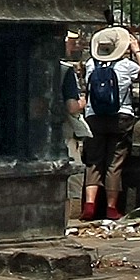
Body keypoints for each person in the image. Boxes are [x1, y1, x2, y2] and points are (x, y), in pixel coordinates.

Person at [82, 27, 140, 223]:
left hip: (93, 117)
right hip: (121, 117)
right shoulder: (126, 65)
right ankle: (111, 208)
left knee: (93, 161)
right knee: (114, 163)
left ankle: (90, 205)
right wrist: (136, 50)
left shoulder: (90, 64)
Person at [60, 31, 91, 211]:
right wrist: (83, 101)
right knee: (74, 171)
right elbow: (72, 106)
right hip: (64, 128)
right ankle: (71, 212)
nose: (74, 46)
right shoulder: (65, 70)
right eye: (71, 42)